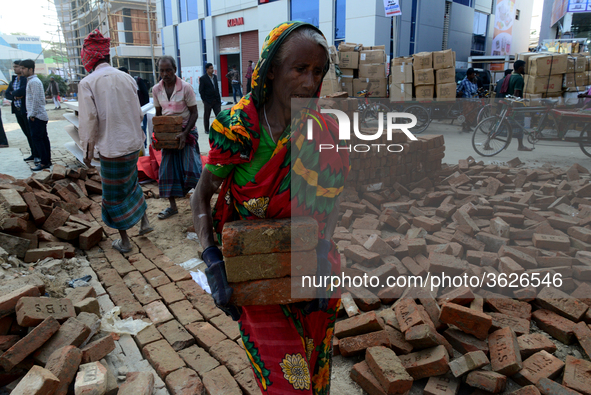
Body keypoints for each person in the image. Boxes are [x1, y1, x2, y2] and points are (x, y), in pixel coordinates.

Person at [191, 21, 349, 394]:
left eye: (318, 71)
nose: (311, 82)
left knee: (314, 372)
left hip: (308, 271)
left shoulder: (323, 131)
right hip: (255, 278)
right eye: (300, 69)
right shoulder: (239, 129)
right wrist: (212, 258)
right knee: (290, 384)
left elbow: (333, 199)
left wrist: (324, 250)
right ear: (272, 70)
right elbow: (200, 196)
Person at [78, 29, 153, 253]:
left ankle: (125, 241)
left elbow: (89, 122)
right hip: (133, 144)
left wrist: (87, 153)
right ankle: (145, 222)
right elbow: (138, 113)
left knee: (113, 197)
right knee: (131, 185)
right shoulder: (126, 77)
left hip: (112, 148)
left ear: (88, 57)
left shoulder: (87, 83)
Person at [152, 56, 201, 220]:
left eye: (168, 70)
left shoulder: (186, 87)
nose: (165, 74)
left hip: (187, 133)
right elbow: (158, 115)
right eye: (162, 70)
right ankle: (172, 207)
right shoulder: (156, 90)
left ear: (175, 70)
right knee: (166, 172)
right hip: (168, 134)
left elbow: (194, 113)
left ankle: (200, 205)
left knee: (192, 170)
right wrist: (157, 136)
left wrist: (185, 133)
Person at [20, 59, 51, 171]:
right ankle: (46, 161)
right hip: (37, 116)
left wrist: (32, 115)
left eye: (23, 68)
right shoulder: (31, 81)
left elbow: (36, 100)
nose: (21, 70)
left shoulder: (34, 82)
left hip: (37, 116)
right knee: (42, 139)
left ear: (31, 69)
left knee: (38, 139)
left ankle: (44, 162)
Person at [5, 60, 38, 162]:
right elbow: (7, 94)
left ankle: (37, 155)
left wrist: (13, 93)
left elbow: (23, 91)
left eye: (17, 67)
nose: (15, 69)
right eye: (14, 67)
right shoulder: (14, 80)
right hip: (17, 111)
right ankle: (33, 153)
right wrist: (15, 96)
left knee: (32, 133)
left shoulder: (26, 79)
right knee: (27, 134)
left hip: (26, 110)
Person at [504, 60, 533, 151]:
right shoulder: (519, 78)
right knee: (520, 125)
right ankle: (520, 146)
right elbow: (516, 93)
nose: (524, 69)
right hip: (516, 105)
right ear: (520, 68)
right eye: (524, 67)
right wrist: (515, 108)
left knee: (504, 125)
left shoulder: (510, 76)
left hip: (508, 103)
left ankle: (488, 141)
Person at [119, 67, 150, 144]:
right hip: (129, 112)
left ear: (128, 73)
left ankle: (144, 146)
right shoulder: (120, 84)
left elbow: (146, 93)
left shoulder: (137, 81)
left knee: (141, 129)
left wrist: (144, 108)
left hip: (141, 110)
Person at [198, 63, 221, 134]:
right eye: (211, 68)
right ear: (207, 69)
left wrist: (219, 99)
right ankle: (207, 129)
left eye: (212, 68)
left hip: (216, 100)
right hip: (208, 100)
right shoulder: (203, 78)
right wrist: (204, 100)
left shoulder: (215, 77)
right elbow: (201, 90)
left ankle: (219, 128)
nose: (212, 70)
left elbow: (216, 88)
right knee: (207, 115)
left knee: (219, 115)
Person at [456, 68, 479, 132]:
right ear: (468, 75)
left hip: (474, 100)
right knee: (466, 113)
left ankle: (468, 126)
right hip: (467, 100)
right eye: (472, 75)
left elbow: (476, 89)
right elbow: (458, 90)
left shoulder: (474, 81)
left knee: (473, 114)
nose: (474, 76)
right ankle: (464, 127)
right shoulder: (464, 82)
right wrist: (460, 93)